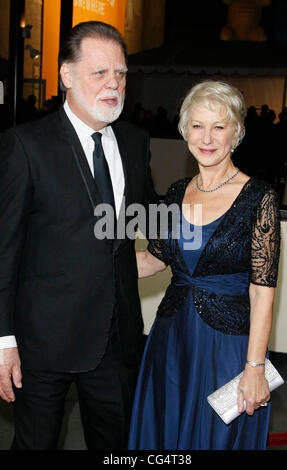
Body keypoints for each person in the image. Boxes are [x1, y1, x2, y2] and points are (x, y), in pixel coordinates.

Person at [0, 21, 158, 450]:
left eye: (121, 74)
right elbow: (4, 254)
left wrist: (187, 237)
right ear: (67, 76)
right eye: (100, 73)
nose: (114, 84)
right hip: (42, 345)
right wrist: (3, 342)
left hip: (117, 339)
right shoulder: (25, 145)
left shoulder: (134, 141)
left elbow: (149, 217)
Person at [128, 80, 281, 450]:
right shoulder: (178, 192)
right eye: (197, 125)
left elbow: (262, 293)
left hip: (226, 349)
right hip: (170, 342)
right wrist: (87, 260)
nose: (207, 137)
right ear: (185, 132)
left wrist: (255, 368)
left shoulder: (259, 198)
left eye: (219, 126)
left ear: (236, 132)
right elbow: (152, 260)